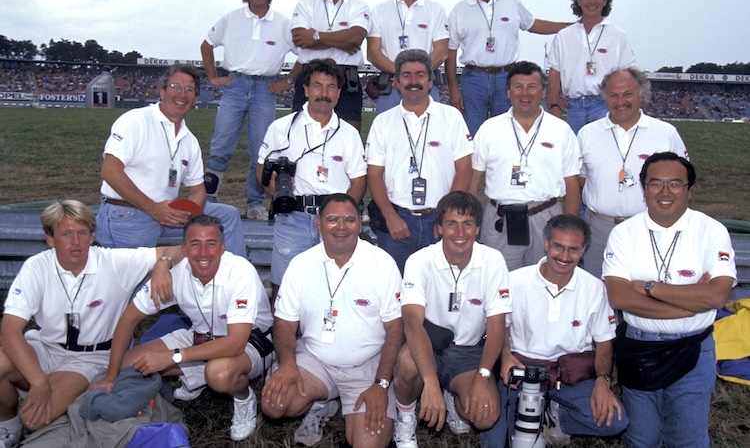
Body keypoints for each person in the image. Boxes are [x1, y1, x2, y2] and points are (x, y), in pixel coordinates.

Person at [0, 201, 180, 447]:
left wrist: (163, 263)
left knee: (34, 419)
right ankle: (7, 427)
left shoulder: (113, 262)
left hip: (92, 356)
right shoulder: (36, 266)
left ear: (92, 236)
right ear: (50, 239)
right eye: (66, 234)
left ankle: (48, 401)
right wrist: (39, 381)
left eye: (82, 233)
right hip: (47, 346)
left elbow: (180, 249)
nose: (76, 241)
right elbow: (9, 329)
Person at [90, 214, 273, 442]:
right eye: (195, 244)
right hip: (200, 336)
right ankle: (197, 374)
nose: (204, 253)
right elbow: (128, 319)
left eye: (211, 244)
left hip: (251, 341)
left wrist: (174, 356)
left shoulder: (240, 271)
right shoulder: (173, 273)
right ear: (184, 249)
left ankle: (244, 398)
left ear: (223, 247)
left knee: (220, 374)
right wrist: (110, 376)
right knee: (129, 364)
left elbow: (235, 343)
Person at [603, 152, 736, 447]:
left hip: (693, 347)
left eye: (675, 184)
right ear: (643, 188)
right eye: (655, 184)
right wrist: (689, 301)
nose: (664, 193)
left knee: (687, 438)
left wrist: (650, 288)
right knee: (642, 438)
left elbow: (716, 295)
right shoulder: (624, 233)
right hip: (640, 345)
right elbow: (619, 295)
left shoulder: (711, 231)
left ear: (689, 189)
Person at [261, 194, 403, 448]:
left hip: (366, 365)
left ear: (361, 224)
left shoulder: (382, 264)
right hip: (315, 359)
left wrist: (381, 384)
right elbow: (284, 323)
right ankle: (321, 402)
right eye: (332, 219)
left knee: (368, 444)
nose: (340, 227)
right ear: (319, 223)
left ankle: (342, 403)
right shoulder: (300, 264)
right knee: (275, 404)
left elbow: (395, 330)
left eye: (349, 220)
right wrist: (288, 364)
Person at [479, 214, 628, 448]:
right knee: (493, 437)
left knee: (615, 421)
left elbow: (605, 343)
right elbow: (500, 328)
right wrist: (506, 355)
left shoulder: (595, 289)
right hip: (521, 370)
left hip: (570, 375)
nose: (564, 256)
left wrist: (602, 380)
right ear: (546, 243)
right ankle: (525, 411)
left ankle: (556, 416)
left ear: (583, 250)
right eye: (558, 247)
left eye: (573, 249)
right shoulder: (515, 280)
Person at [392, 191, 510, 447]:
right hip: (429, 346)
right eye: (451, 224)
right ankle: (406, 416)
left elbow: (497, 327)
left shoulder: (493, 261)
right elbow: (412, 324)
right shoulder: (420, 260)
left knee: (485, 416)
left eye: (467, 224)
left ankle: (454, 394)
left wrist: (482, 375)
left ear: (477, 228)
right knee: (408, 361)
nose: (460, 232)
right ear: (439, 228)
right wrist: (430, 382)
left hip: (469, 352)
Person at [94, 64, 246, 257]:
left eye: (189, 89)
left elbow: (198, 190)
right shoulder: (136, 120)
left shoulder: (189, 140)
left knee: (228, 216)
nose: (182, 95)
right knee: (135, 282)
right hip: (129, 213)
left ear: (195, 99)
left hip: (166, 213)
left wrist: (190, 212)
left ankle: (230, 280)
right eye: (175, 87)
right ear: (162, 91)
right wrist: (154, 209)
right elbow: (110, 171)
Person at [257, 59, 366, 301]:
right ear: (305, 89)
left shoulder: (349, 134)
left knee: (337, 288)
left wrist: (343, 217)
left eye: (330, 87)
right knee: (284, 288)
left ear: (339, 93)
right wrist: (274, 189)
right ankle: (283, 337)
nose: (324, 94)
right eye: (317, 86)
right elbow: (261, 171)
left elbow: (359, 182)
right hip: (293, 218)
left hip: (334, 222)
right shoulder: (281, 128)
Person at [201, 0, 296, 219]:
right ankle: (208, 200)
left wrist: (288, 81)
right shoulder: (232, 18)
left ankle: (255, 204)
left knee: (261, 152)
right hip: (235, 86)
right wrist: (212, 76)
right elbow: (207, 45)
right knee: (221, 146)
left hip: (265, 89)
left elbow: (305, 55)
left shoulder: (283, 24)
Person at [366, 49, 473, 274]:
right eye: (406, 75)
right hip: (397, 222)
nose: (413, 81)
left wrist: (447, 217)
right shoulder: (382, 122)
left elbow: (464, 169)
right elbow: (374, 175)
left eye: (420, 75)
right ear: (395, 82)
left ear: (431, 81)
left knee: (442, 291)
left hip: (439, 220)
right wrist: (390, 217)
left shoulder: (451, 117)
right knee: (395, 294)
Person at [470, 61, 581, 271]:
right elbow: (473, 179)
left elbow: (572, 184)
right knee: (499, 284)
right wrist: (470, 220)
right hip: (500, 220)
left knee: (543, 284)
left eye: (532, 86)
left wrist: (570, 227)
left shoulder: (561, 130)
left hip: (546, 218)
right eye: (518, 86)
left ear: (544, 92)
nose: (525, 93)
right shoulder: (490, 128)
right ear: (508, 92)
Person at [578, 68, 688, 279]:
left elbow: (683, 183)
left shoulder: (665, 133)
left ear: (641, 95)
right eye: (613, 95)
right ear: (605, 97)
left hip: (649, 227)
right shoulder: (587, 134)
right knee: (598, 296)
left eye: (628, 93)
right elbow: (581, 180)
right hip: (600, 230)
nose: (621, 101)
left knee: (645, 293)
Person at [446, 0, 570, 136]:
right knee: (473, 133)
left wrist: (569, 26)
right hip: (474, 78)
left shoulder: (509, 1)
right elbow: (451, 51)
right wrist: (453, 89)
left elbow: (533, 24)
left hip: (505, 77)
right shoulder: (459, 10)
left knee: (507, 130)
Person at [290, 0, 370, 132]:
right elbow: (299, 38)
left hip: (346, 77)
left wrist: (316, 37)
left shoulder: (359, 6)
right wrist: (343, 41)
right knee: (301, 134)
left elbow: (356, 37)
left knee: (348, 138)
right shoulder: (306, 4)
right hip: (310, 75)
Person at [547, 0, 636, 134]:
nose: (592, 2)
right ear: (579, 0)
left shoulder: (618, 36)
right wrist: (554, 106)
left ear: (605, 1)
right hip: (573, 106)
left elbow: (628, 75)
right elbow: (554, 73)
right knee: (576, 156)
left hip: (605, 105)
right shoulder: (563, 36)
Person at [367, 0, 449, 113]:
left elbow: (441, 51)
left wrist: (416, 75)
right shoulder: (380, 11)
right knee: (388, 136)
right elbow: (373, 52)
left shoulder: (435, 10)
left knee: (429, 136)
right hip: (391, 84)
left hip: (425, 86)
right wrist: (400, 74)